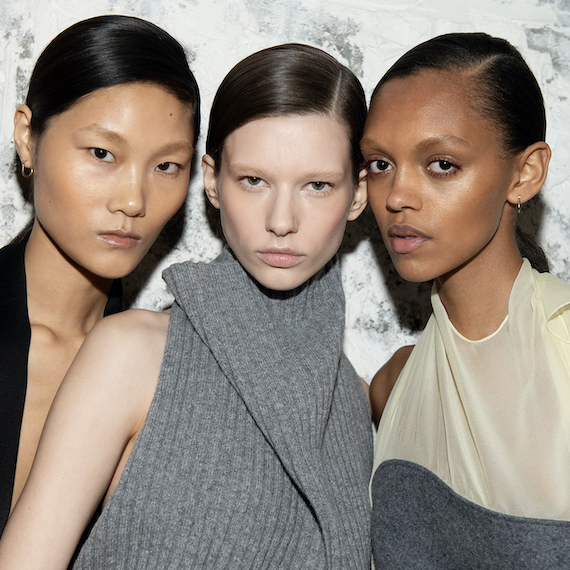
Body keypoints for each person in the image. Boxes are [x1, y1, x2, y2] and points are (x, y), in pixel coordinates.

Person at [0, 43, 372, 569]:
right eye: (254, 180)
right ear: (214, 181)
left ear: (357, 194)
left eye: (317, 185)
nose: (282, 219)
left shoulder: (352, 402)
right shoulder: (133, 352)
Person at [361, 32, 570, 568]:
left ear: (525, 173)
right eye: (381, 163)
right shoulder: (394, 385)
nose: (397, 196)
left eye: (442, 165)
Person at [0, 14, 200, 536]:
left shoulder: (170, 369)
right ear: (28, 137)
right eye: (103, 153)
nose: (133, 200)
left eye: (166, 166)